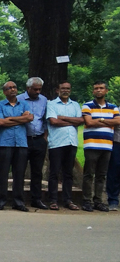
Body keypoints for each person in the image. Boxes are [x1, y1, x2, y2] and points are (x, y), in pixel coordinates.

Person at [0, 81, 32, 211]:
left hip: (21, 143)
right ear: (5, 92)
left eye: (14, 87)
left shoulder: (24, 104)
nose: (13, 90)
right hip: (4, 143)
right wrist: (20, 118)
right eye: (9, 88)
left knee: (19, 174)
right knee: (2, 174)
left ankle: (19, 202)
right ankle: (0, 202)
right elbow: (0, 122)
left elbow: (29, 118)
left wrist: (9, 119)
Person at [81, 80, 120, 212]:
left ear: (106, 91)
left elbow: (118, 121)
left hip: (107, 146)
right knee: (89, 174)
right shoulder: (87, 106)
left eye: (101, 88)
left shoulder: (113, 107)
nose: (99, 90)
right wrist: (108, 122)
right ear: (93, 91)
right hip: (92, 144)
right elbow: (89, 122)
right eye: (96, 88)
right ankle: (87, 200)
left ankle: (98, 200)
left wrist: (99, 120)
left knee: (101, 175)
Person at [45, 81, 83, 210]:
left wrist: (63, 118)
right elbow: (53, 121)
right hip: (57, 143)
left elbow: (81, 121)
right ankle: (53, 200)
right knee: (54, 172)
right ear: (57, 90)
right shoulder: (51, 104)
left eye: (68, 88)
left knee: (68, 173)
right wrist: (72, 121)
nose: (65, 91)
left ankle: (68, 200)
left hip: (71, 142)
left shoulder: (75, 105)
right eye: (63, 88)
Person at [17, 77, 49, 209]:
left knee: (37, 171)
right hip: (23, 139)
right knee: (20, 170)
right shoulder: (19, 99)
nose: (37, 92)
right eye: (35, 89)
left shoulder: (44, 100)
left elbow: (45, 119)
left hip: (39, 139)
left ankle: (36, 199)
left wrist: (44, 137)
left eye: (39, 89)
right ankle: (19, 200)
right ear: (28, 88)